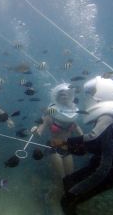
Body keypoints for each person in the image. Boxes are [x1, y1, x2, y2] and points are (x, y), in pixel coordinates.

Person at [55, 76, 113, 215]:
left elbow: (92, 138)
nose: (87, 97)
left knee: (67, 201)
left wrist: (66, 143)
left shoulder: (108, 117)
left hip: (102, 173)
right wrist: (71, 148)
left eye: (90, 92)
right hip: (100, 170)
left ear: (101, 95)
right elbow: (97, 147)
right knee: (68, 182)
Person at [31, 83, 83, 214]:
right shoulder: (50, 114)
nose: (63, 95)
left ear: (71, 96)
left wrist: (91, 141)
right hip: (53, 147)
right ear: (56, 98)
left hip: (67, 148)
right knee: (60, 178)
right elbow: (40, 130)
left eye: (66, 93)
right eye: (61, 94)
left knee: (69, 179)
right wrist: (34, 130)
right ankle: (53, 203)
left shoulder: (72, 114)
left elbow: (80, 134)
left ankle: (51, 196)